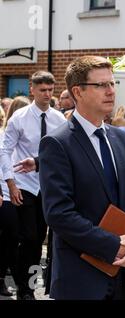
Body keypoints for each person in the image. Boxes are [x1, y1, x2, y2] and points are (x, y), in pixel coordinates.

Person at [38, 56, 125, 300]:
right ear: (77, 92)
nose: (111, 91)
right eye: (101, 85)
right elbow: (59, 213)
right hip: (81, 280)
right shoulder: (57, 143)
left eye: (113, 84)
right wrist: (112, 245)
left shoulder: (120, 139)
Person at [0, 71, 66, 300]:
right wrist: (10, 184)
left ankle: (27, 285)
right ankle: (25, 289)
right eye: (42, 90)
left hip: (48, 186)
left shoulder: (59, 119)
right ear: (32, 90)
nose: (47, 94)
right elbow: (5, 151)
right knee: (28, 238)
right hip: (24, 185)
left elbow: (62, 153)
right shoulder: (19, 117)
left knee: (38, 241)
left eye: (50, 90)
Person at [0, 96, 30, 297]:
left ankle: (8, 278)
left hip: (19, 192)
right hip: (5, 194)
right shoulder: (4, 136)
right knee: (7, 239)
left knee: (14, 239)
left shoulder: (15, 136)